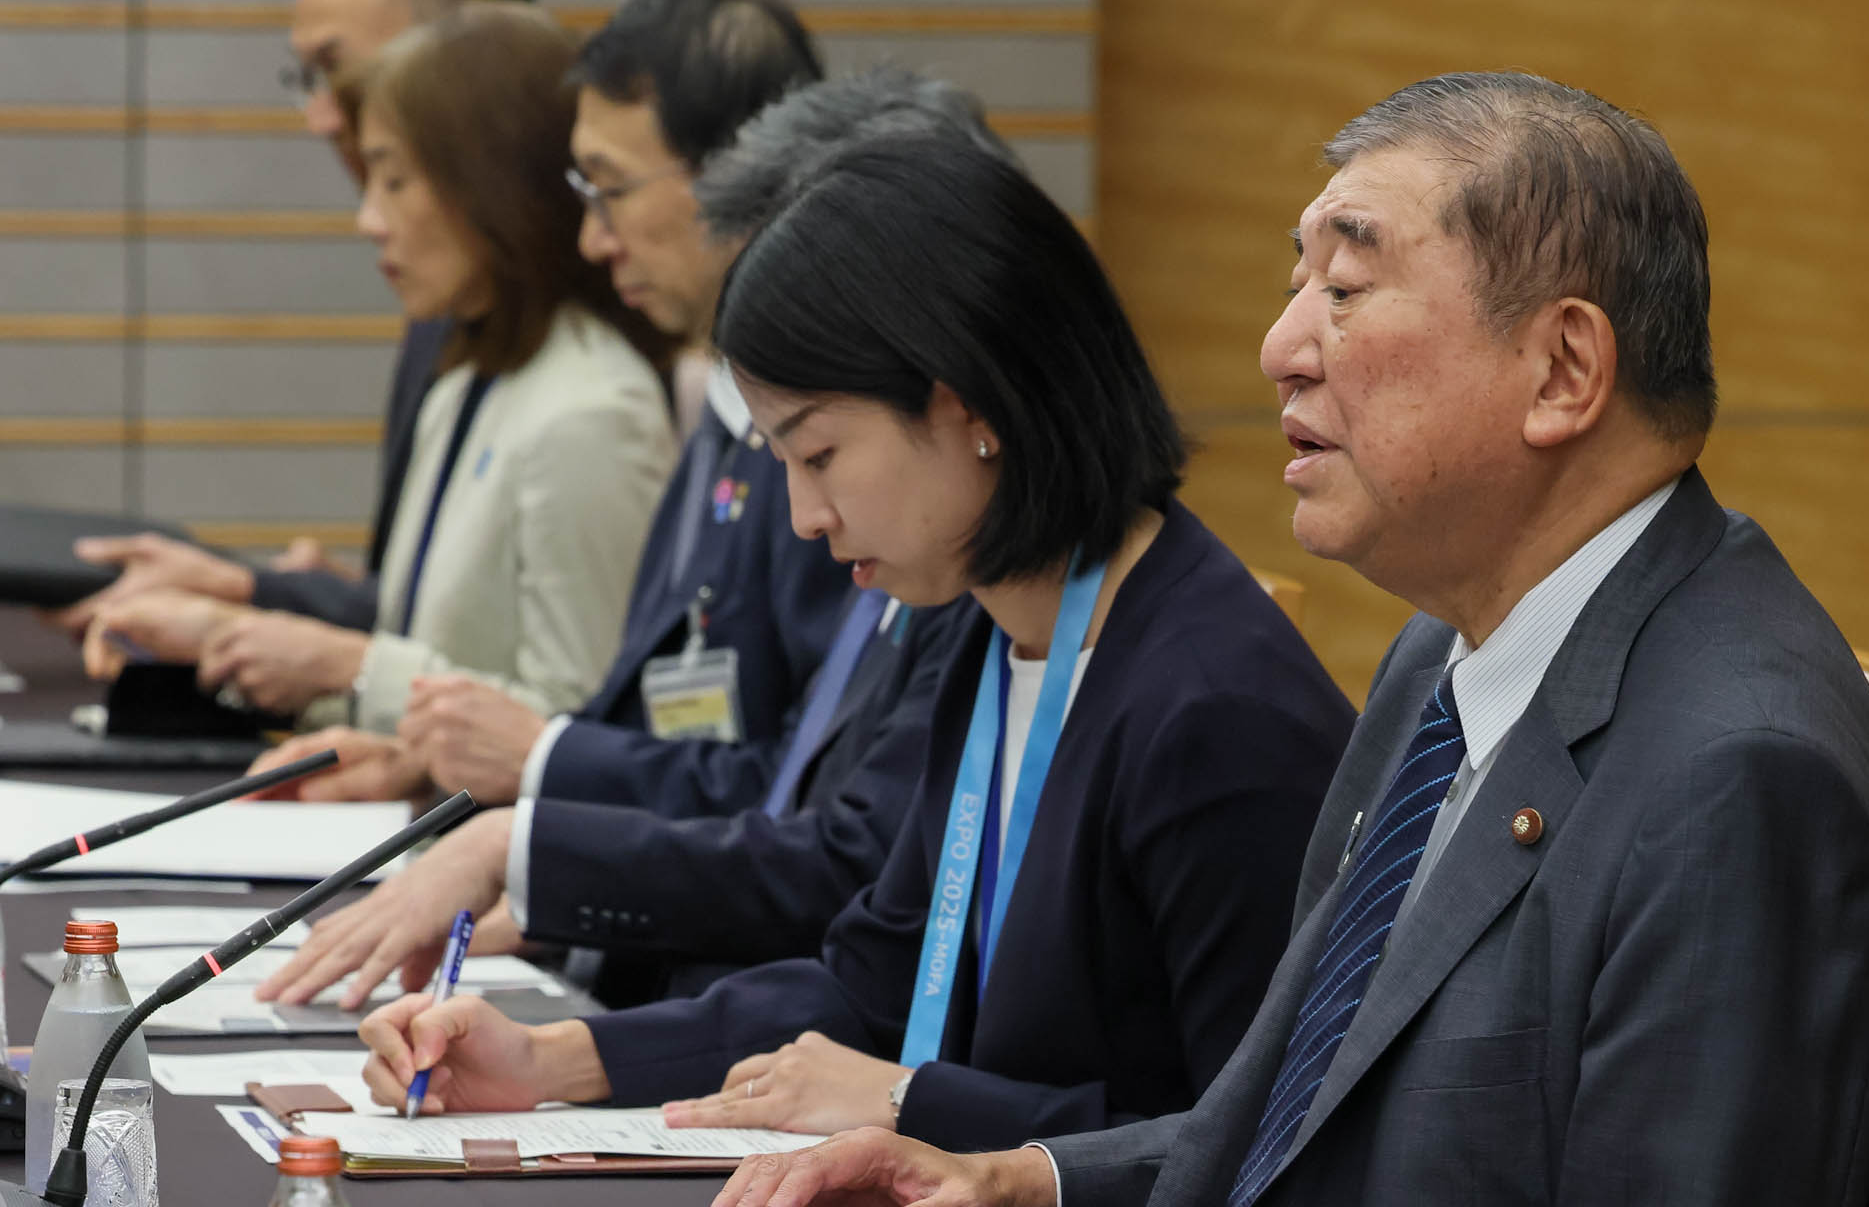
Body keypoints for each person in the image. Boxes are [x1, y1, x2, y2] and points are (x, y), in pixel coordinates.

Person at [680, 74, 1869, 1207]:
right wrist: (1013, 1182)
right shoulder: (1452, 656)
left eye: (1348, 286)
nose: (1282, 345)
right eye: (1301, 284)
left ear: (1563, 369)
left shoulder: (1738, 771)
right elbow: (1295, 1132)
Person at [351, 128, 1357, 1153]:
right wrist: (550, 1060)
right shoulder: (991, 630)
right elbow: (875, 987)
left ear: (970, 408)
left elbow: (1248, 1158)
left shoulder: (1212, 708)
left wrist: (907, 1106)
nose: (802, 517)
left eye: (820, 454)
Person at [254, 69, 1017, 1011]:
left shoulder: (989, 578)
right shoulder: (855, 494)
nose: (805, 515)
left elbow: (838, 867)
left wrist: (533, 836)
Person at [249, 0, 857, 818]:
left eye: (612, 190)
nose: (592, 236)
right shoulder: (720, 408)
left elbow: (792, 797)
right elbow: (629, 720)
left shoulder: (637, 414)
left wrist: (364, 679)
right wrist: (423, 768)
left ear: (738, 178)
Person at [87, 3, 675, 734]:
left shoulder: (592, 413)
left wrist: (346, 665)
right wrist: (233, 641)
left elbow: (585, 733)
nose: (369, 219)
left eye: (394, 181)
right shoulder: (464, 380)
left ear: (491, 187)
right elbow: (422, 652)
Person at [56, 0, 531, 636]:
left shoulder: (579, 334)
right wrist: (292, 597)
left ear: (456, 61)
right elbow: (440, 624)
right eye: (306, 77)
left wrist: (251, 600)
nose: (319, 116)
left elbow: (581, 687)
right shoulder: (447, 300)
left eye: (335, 70)